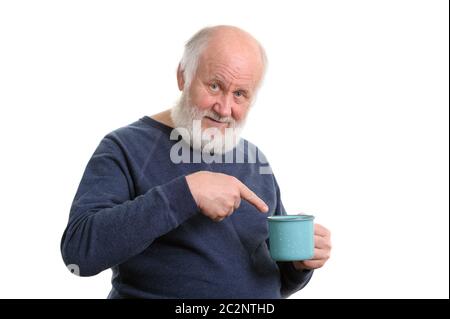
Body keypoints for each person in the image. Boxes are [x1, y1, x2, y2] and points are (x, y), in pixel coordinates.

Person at [60, 25, 332, 299]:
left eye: (240, 94)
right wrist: (186, 193)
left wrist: (298, 266)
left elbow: (271, 279)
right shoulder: (124, 147)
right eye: (215, 86)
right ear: (183, 76)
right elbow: (79, 254)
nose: (225, 109)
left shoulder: (254, 158)